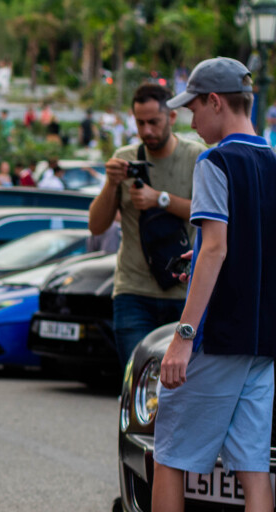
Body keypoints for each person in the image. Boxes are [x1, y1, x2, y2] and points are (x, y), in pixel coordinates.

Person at [99, 57, 276, 512]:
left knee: (169, 453)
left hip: (218, 337)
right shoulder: (273, 161)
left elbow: (217, 248)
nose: (191, 118)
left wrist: (184, 333)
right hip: (262, 341)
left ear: (218, 102)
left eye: (195, 106)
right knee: (254, 471)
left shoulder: (214, 161)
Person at [88, 83, 206, 371]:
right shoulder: (126, 157)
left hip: (183, 293)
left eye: (154, 121)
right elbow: (96, 225)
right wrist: (111, 183)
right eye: (140, 123)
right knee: (137, 382)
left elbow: (211, 215)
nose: (147, 130)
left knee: (179, 388)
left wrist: (160, 200)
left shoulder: (196, 156)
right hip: (133, 292)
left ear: (172, 118)